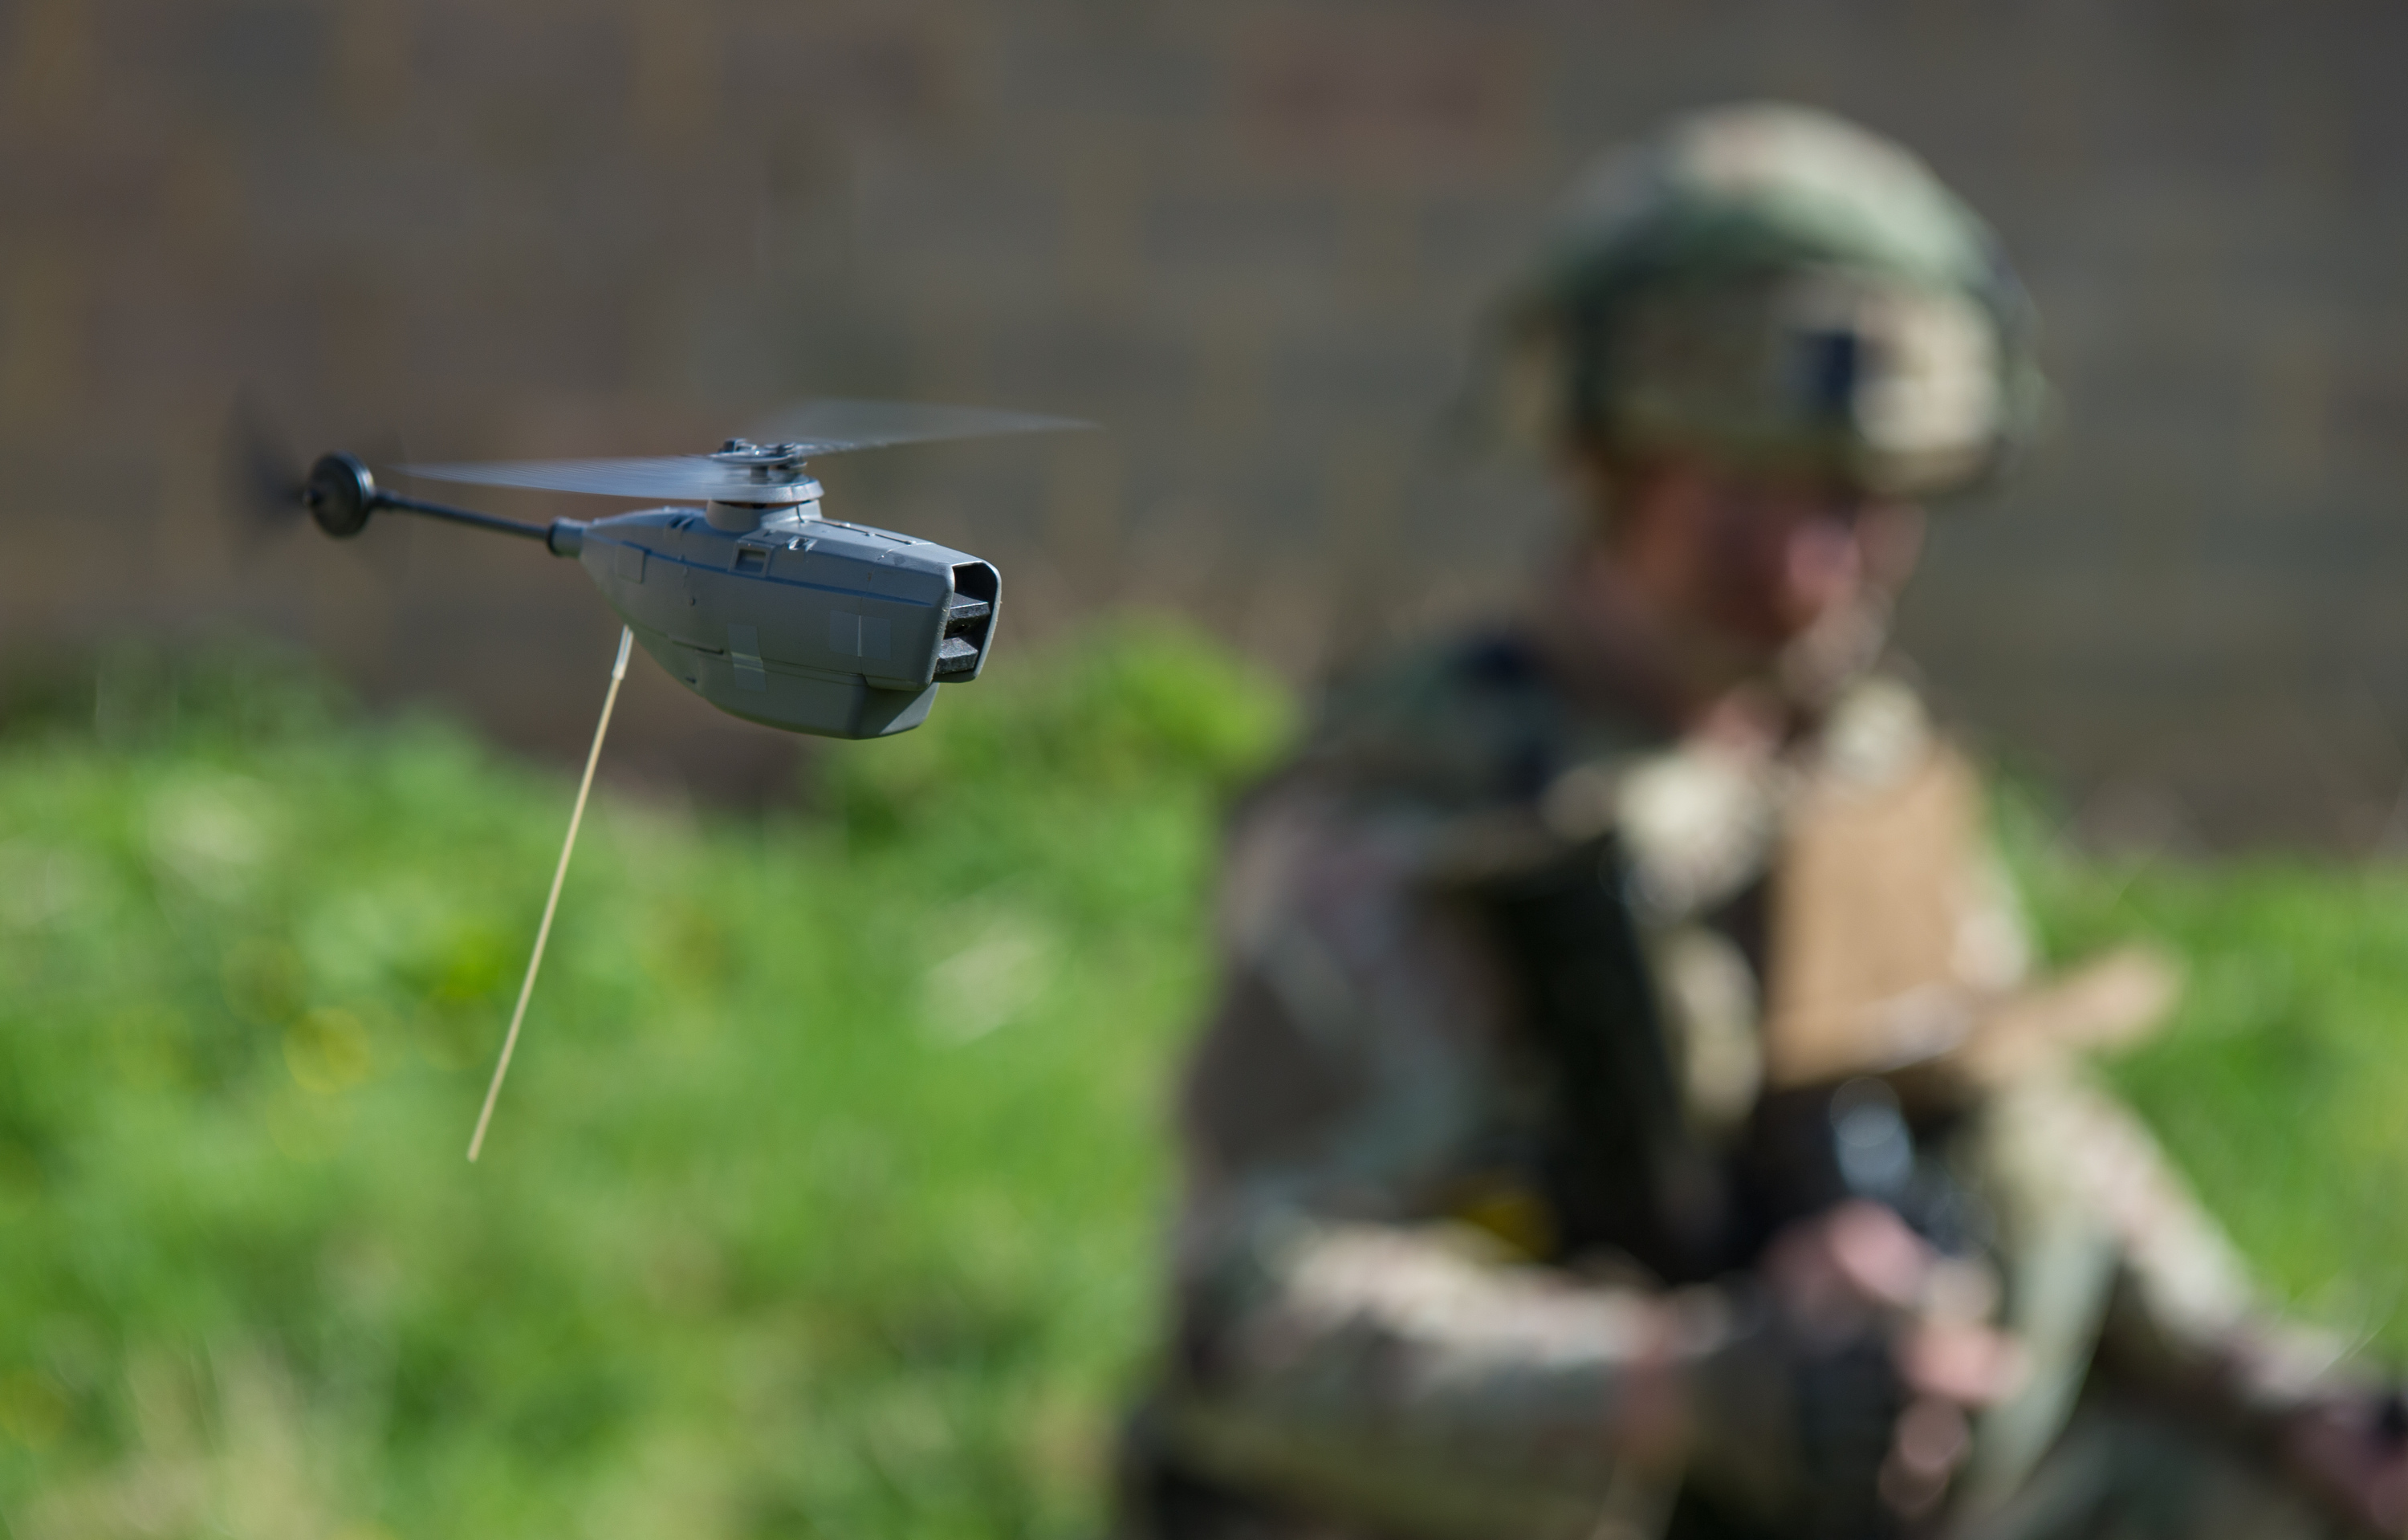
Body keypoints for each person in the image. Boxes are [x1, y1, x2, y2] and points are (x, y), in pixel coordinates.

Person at [1117, 104, 2408, 1540]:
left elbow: (2020, 1117)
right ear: (1604, 458)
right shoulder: (1417, 821)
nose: (1809, 571)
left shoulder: (1862, 764)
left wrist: (2296, 1404)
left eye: (1861, 503)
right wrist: (1690, 1388)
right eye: (1744, 494)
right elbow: (1249, 1332)